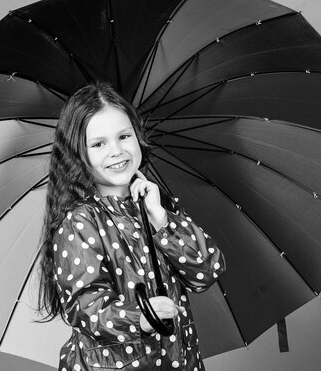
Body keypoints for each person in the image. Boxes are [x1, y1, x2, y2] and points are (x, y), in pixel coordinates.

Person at [36, 82, 226, 370]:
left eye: (124, 136)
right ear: (77, 153)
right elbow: (85, 307)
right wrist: (142, 316)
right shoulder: (80, 221)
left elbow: (207, 271)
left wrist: (160, 218)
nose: (117, 151)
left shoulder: (156, 203)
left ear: (138, 137)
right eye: (99, 144)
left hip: (178, 361)